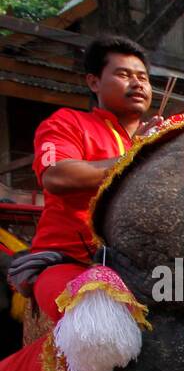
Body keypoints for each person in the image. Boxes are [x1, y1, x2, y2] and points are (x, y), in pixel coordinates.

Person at [22, 36, 152, 322]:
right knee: (100, 326)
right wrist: (137, 155)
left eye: (143, 77)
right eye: (123, 74)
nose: (138, 83)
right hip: (72, 261)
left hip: (145, 267)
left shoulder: (161, 136)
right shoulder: (67, 122)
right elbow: (57, 176)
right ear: (94, 82)